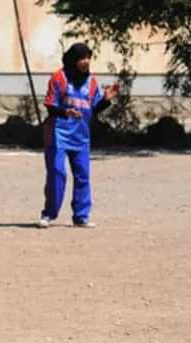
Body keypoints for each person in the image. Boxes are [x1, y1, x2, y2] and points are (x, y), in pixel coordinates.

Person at [39, 42, 118, 228]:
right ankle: (49, 214)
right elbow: (50, 106)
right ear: (73, 60)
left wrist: (106, 100)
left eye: (88, 57)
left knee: (83, 175)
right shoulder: (59, 78)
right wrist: (66, 112)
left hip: (81, 136)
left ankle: (81, 216)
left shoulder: (91, 82)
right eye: (82, 58)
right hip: (58, 133)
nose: (86, 61)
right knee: (57, 172)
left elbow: (93, 108)